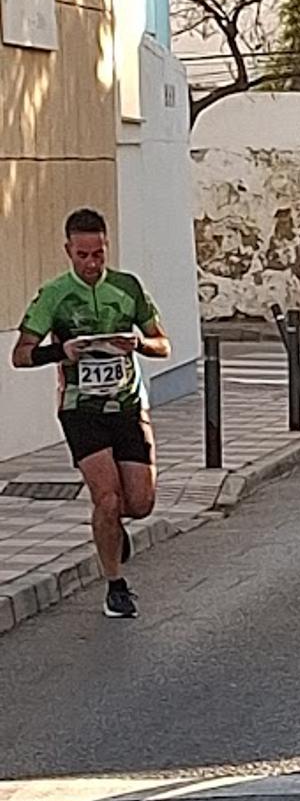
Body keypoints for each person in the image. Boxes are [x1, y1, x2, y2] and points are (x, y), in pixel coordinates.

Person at [11, 208, 171, 620]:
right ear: (68, 251)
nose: (91, 263)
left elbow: (163, 344)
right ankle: (115, 585)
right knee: (106, 497)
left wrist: (135, 343)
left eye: (98, 253)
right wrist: (59, 351)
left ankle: (113, 528)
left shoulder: (127, 288)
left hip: (128, 405)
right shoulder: (54, 295)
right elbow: (21, 355)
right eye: (82, 255)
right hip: (81, 410)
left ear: (106, 247)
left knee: (140, 503)